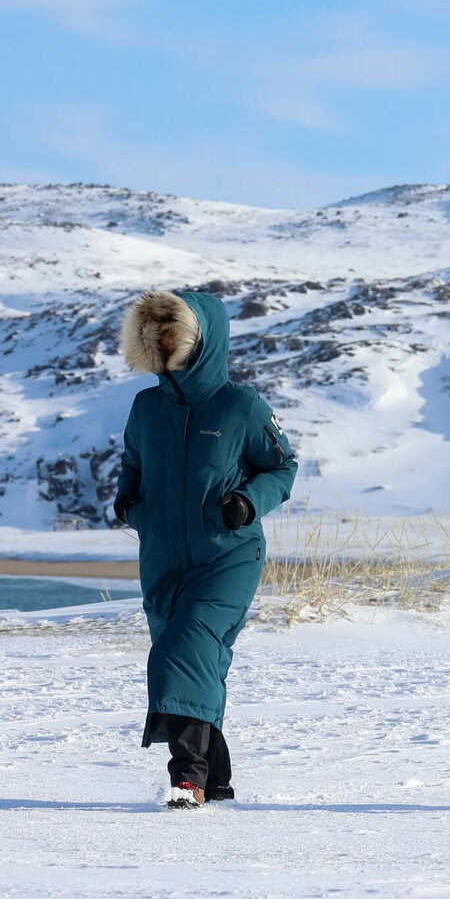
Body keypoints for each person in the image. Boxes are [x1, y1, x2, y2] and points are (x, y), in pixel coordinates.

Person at [113, 289, 298, 809]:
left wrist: (247, 502)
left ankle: (187, 779)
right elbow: (133, 461)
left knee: (183, 651)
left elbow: (283, 467)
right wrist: (128, 500)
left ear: (202, 338)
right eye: (157, 331)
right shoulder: (146, 406)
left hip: (228, 556)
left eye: (174, 329)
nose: (165, 339)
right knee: (198, 665)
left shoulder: (241, 405)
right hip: (163, 560)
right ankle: (217, 781)